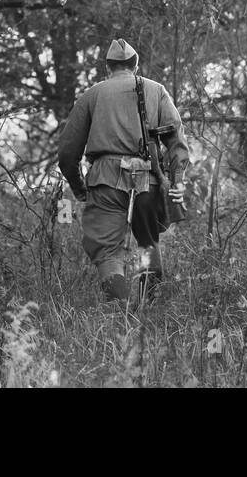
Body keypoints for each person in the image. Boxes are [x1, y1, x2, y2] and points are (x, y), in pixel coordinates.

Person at [56, 38, 189, 301]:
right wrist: (177, 181)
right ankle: (147, 309)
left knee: (106, 252)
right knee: (148, 242)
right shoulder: (156, 90)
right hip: (147, 179)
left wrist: (80, 188)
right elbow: (177, 142)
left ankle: (123, 309)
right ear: (135, 66)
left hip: (105, 180)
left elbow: (67, 154)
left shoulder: (92, 95)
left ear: (108, 66)